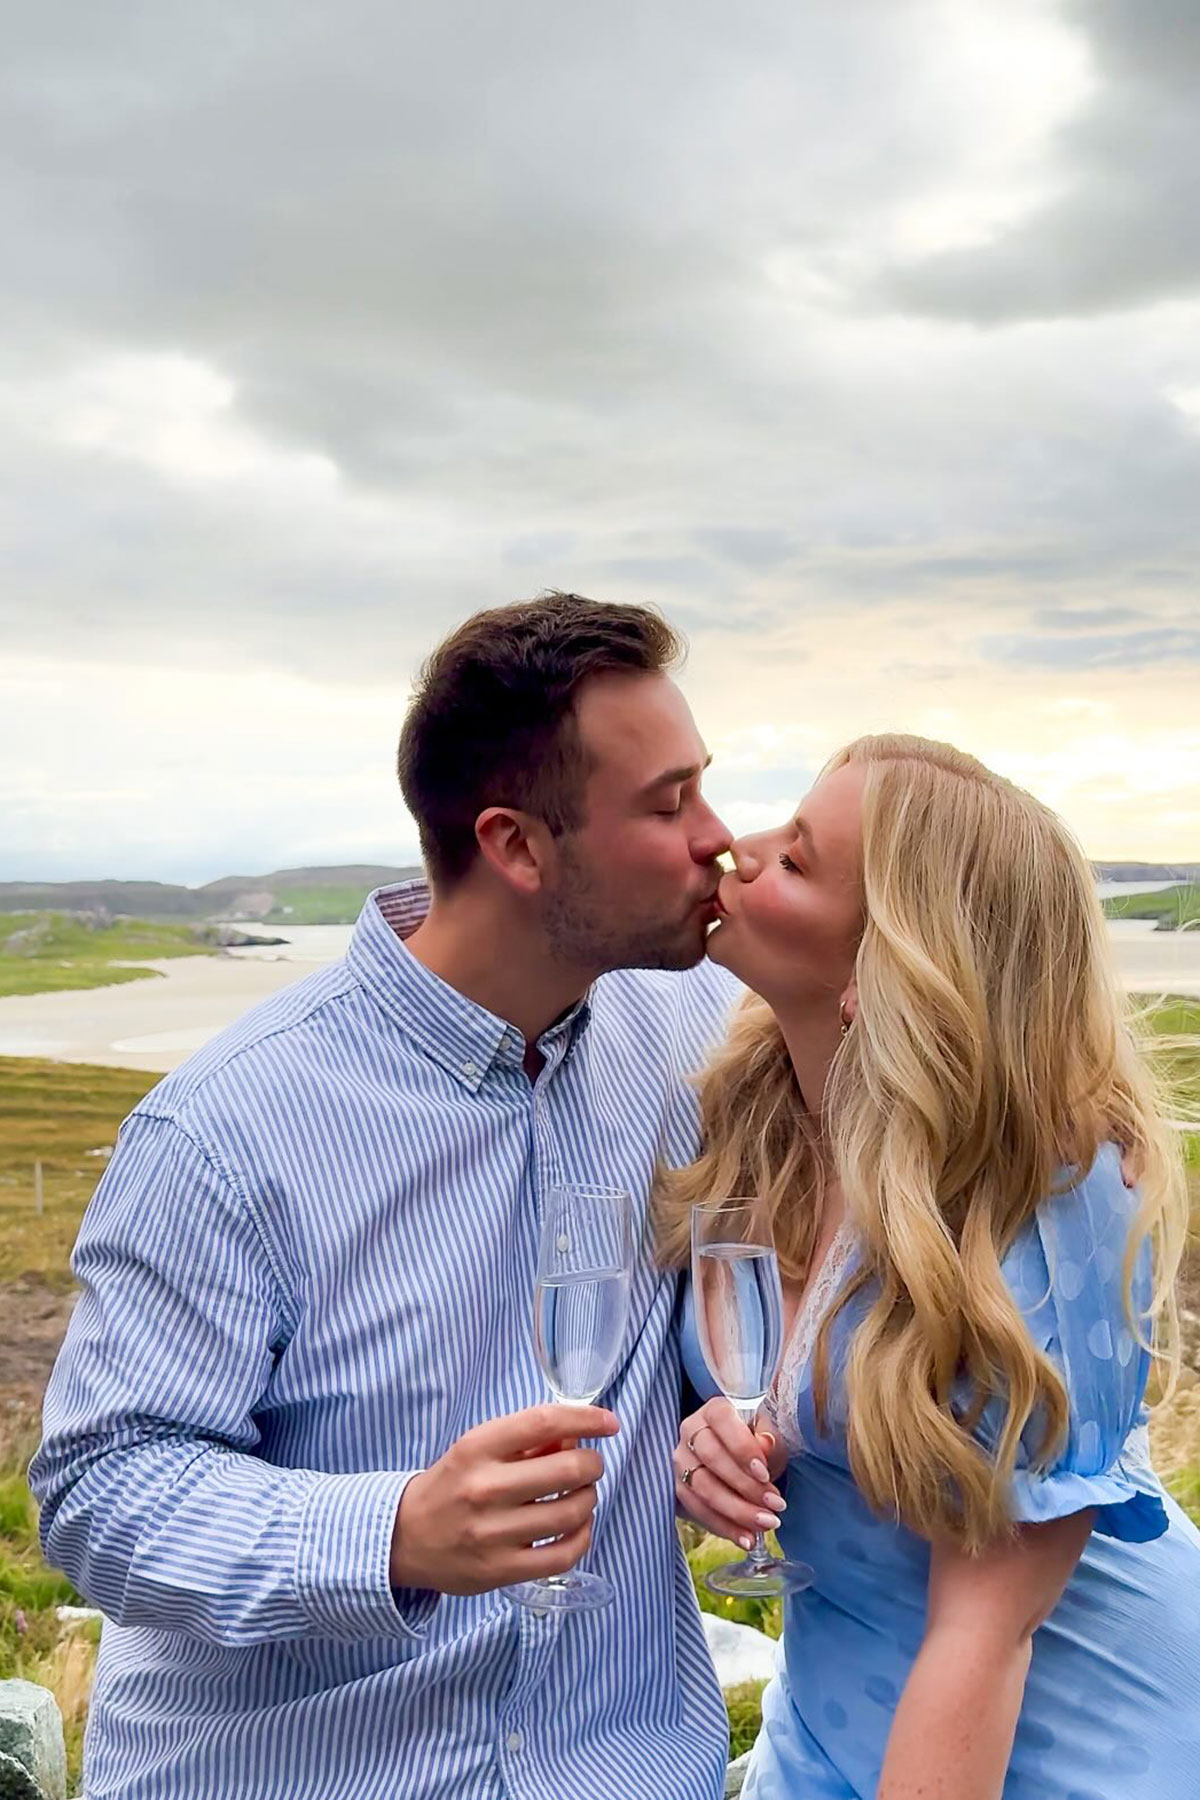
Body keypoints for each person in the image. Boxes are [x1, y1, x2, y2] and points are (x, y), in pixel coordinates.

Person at [30, 593, 742, 1800]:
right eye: (668, 804)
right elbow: (100, 1492)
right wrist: (395, 1534)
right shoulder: (224, 1130)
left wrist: (710, 1426)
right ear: (517, 847)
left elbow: (735, 1319)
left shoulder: (689, 1036)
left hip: (619, 1770)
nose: (716, 835)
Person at [663, 733, 1199, 1799]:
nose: (737, 847)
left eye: (800, 859)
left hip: (1063, 1740)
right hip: (834, 1718)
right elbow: (791, 1407)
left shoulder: (1051, 1190)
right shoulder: (750, 1122)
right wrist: (708, 1454)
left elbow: (984, 1634)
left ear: (891, 966)